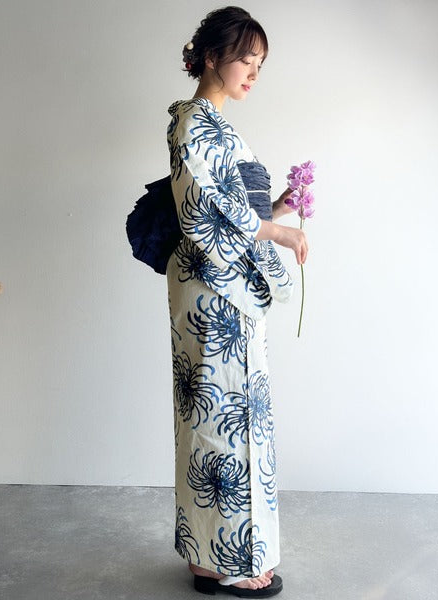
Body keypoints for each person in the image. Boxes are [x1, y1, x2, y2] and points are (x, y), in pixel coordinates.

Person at [166, 6, 308, 597]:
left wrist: (277, 208)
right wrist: (276, 232)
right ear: (211, 56)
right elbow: (205, 211)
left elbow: (234, 211)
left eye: (260, 64)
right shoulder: (194, 122)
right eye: (246, 60)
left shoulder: (214, 125)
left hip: (218, 285)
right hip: (216, 289)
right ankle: (233, 562)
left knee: (212, 416)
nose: (253, 72)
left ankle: (208, 558)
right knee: (228, 418)